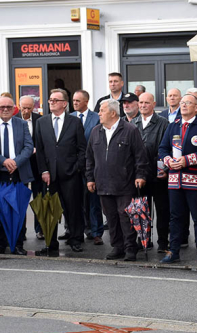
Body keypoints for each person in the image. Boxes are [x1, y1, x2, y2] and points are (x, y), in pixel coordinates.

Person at [86, 99, 149, 261]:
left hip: (125, 183)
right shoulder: (95, 131)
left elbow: (140, 156)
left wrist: (140, 175)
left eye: (102, 110)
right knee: (111, 216)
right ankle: (117, 246)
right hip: (103, 183)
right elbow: (90, 158)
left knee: (125, 216)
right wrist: (90, 178)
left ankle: (130, 248)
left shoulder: (130, 130)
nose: (98, 113)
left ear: (113, 113)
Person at [159, 94, 197, 265]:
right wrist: (168, 161)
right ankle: (173, 251)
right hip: (175, 179)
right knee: (175, 216)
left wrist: (187, 160)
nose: (183, 105)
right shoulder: (173, 126)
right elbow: (162, 148)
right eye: (182, 103)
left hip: (195, 178)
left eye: (187, 103)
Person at [35, 88, 87, 256]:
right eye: (50, 99)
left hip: (71, 174)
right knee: (49, 210)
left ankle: (75, 239)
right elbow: (40, 150)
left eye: (55, 100)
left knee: (73, 209)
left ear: (64, 104)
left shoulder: (74, 122)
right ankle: (51, 243)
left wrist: (77, 168)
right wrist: (43, 170)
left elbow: (82, 149)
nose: (51, 102)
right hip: (49, 175)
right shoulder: (42, 122)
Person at [0, 96, 34, 255]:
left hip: (18, 173)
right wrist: (3, 161)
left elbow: (28, 147)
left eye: (8, 106)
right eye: (2, 107)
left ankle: (18, 244)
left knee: (18, 210)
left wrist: (15, 162)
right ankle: (0, 244)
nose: (5, 109)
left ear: (14, 109)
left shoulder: (21, 124)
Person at [132, 92, 170, 252]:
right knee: (142, 210)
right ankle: (143, 240)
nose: (143, 105)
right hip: (140, 175)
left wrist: (163, 169)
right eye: (140, 102)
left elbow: (165, 148)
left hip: (158, 175)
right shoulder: (133, 123)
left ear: (154, 104)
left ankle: (162, 242)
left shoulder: (163, 123)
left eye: (146, 103)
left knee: (162, 211)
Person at [72, 89, 103, 245]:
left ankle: (96, 232)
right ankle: (76, 230)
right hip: (73, 166)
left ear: (86, 101)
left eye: (78, 100)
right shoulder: (69, 118)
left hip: (92, 165)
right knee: (75, 201)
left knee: (93, 200)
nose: (75, 103)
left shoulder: (96, 118)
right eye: (74, 100)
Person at [16, 95, 43, 239]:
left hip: (37, 164)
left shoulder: (40, 120)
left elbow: (45, 140)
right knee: (22, 198)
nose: (26, 111)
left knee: (39, 197)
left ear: (33, 107)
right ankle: (21, 231)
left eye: (29, 108)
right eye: (23, 107)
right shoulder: (14, 119)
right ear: (19, 106)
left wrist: (37, 148)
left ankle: (40, 229)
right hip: (21, 165)